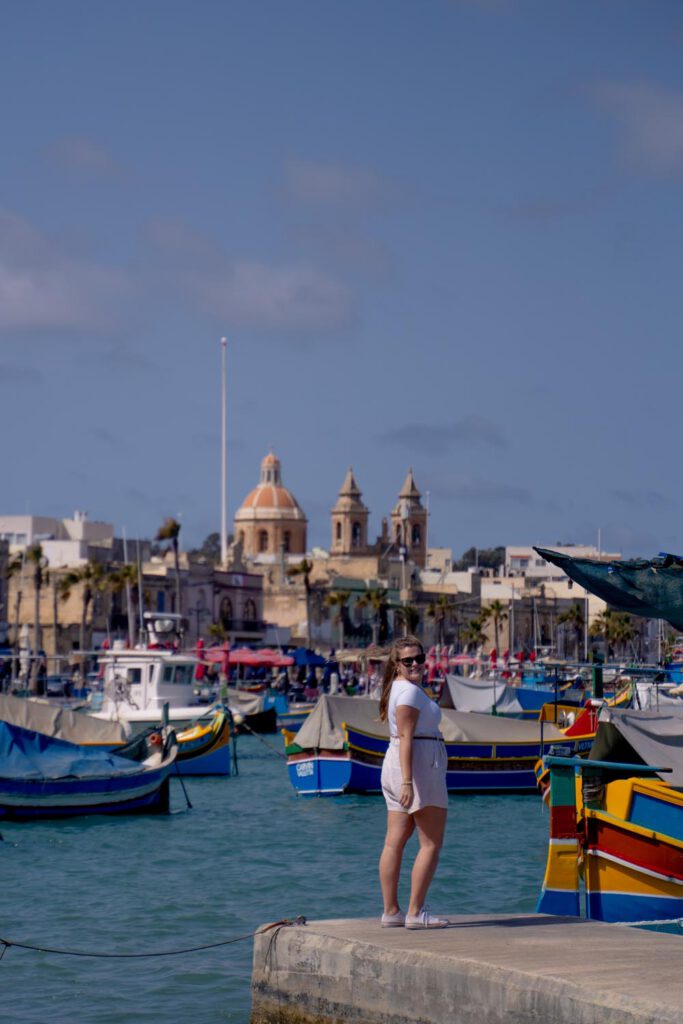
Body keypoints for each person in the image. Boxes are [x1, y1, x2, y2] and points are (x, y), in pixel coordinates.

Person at [378, 634, 448, 930]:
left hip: (398, 762)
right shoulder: (408, 693)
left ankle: (391, 912)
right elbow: (407, 735)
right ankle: (415, 913)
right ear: (396, 664)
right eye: (408, 661)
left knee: (395, 842)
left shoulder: (398, 688)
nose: (416, 664)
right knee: (430, 843)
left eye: (420, 658)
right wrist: (408, 781)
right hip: (416, 765)